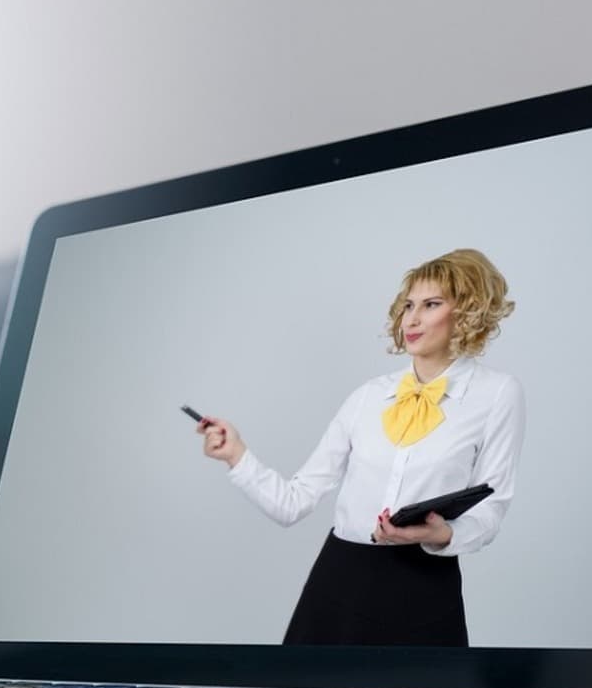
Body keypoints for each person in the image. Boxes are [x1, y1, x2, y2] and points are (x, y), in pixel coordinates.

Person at [196, 248, 525, 646]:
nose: (412, 319)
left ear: (467, 311)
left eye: (431, 304)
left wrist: (444, 534)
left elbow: (491, 507)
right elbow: (292, 503)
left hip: (425, 585)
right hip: (340, 583)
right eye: (408, 305)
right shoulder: (368, 397)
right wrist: (236, 455)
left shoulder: (497, 394)